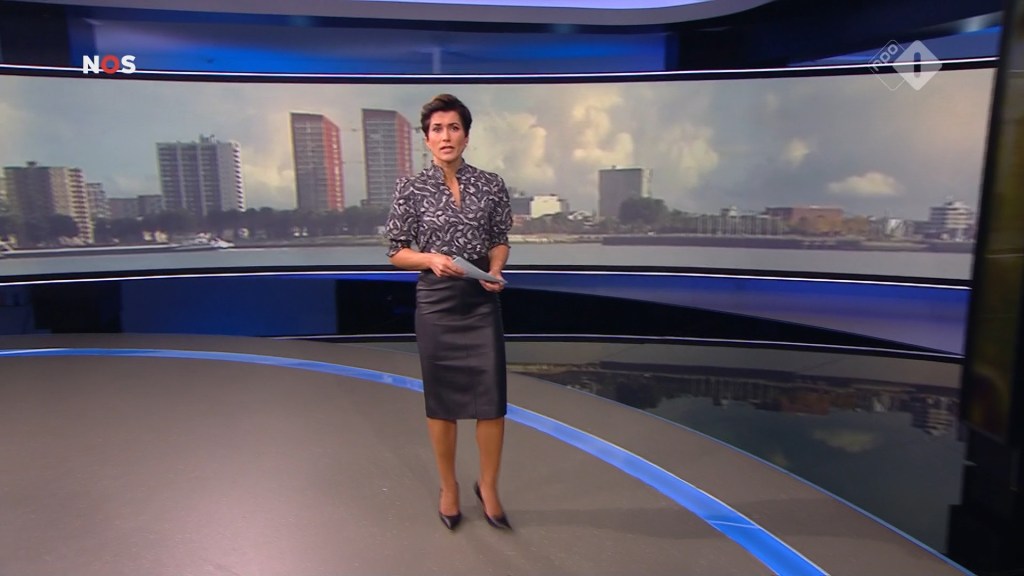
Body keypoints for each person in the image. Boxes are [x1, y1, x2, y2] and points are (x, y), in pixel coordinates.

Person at [384, 93, 513, 531]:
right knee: (442, 403)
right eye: (437, 129)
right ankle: (449, 487)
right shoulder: (410, 188)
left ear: (466, 136)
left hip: (480, 301)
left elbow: (499, 239)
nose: (446, 136)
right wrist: (429, 259)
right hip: (437, 303)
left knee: (491, 402)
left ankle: (488, 486)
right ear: (426, 139)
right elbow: (396, 251)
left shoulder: (491, 184)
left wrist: (495, 269)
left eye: (453, 128)